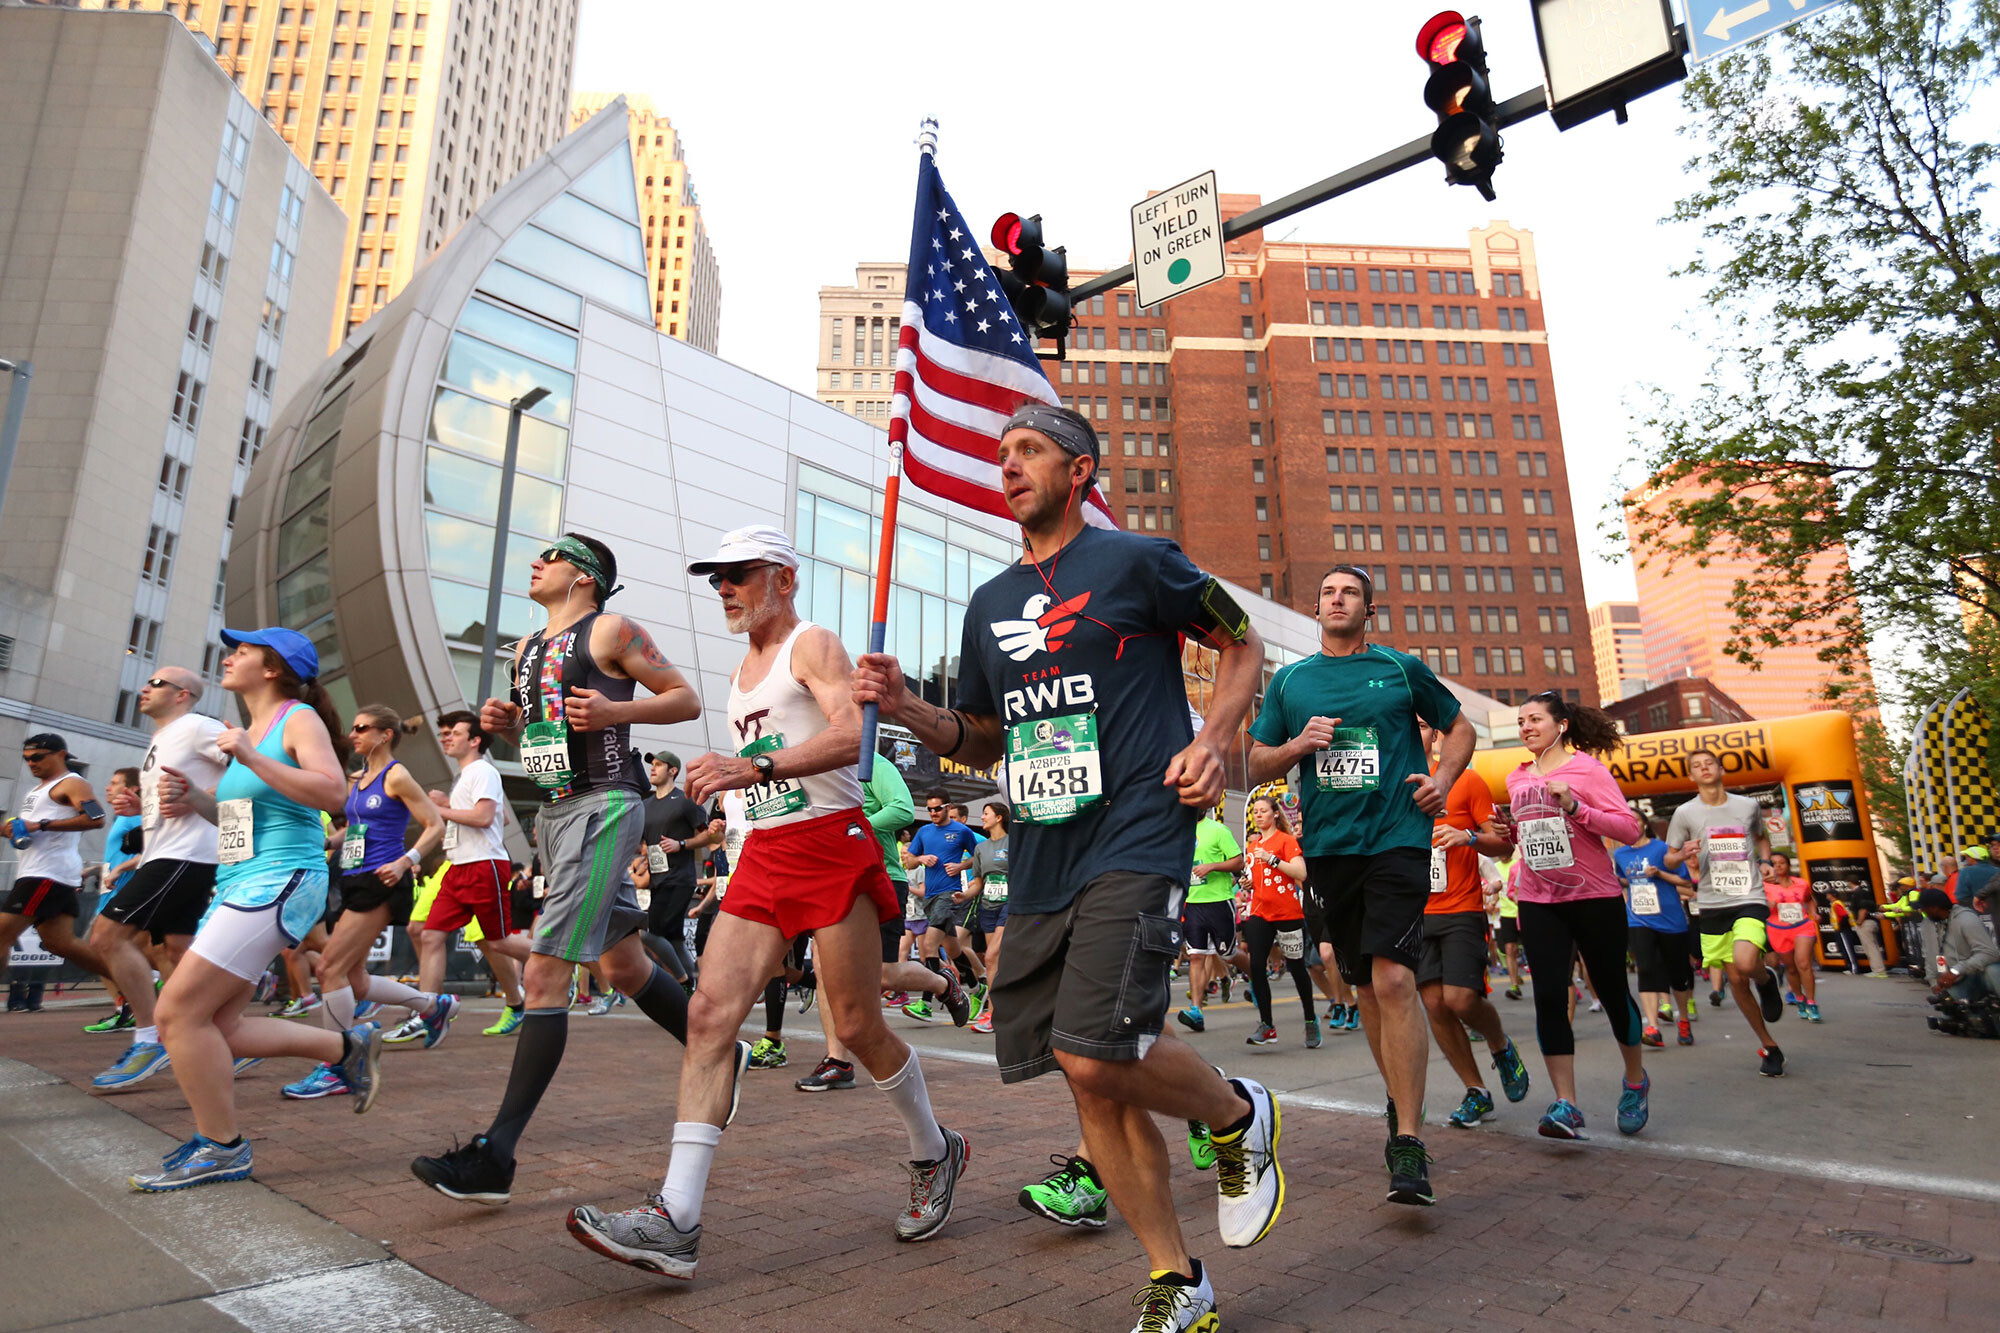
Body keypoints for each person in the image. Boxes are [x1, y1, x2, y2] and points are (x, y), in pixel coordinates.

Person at [855, 405, 1279, 1333]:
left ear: (1080, 470)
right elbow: (980, 735)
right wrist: (907, 705)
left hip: (1138, 830)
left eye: (1030, 451)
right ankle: (1179, 1277)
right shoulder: (988, 602)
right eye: (1002, 454)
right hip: (1044, 850)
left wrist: (1215, 738)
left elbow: (1243, 641)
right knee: (1088, 1075)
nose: (1009, 466)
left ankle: (1236, 1112)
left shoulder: (1139, 561)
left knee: (1096, 1047)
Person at [567, 524, 963, 1280]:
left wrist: (754, 768)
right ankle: (676, 1217)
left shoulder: (812, 644)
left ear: (783, 577)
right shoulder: (741, 668)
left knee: (857, 1025)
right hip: (766, 855)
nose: (724, 587)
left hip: (830, 842)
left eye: (739, 573)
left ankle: (935, 1149)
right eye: (716, 577)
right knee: (708, 1016)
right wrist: (735, 794)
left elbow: (855, 736)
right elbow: (762, 771)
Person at [411, 534, 703, 1205]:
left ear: (585, 576)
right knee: (622, 965)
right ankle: (717, 1046)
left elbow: (685, 699)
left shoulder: (612, 629)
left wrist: (616, 710)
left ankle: (496, 1156)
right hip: (553, 814)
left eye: (553, 554)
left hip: (606, 807)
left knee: (544, 972)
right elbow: (547, 731)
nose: (536, 562)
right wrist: (510, 722)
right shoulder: (523, 649)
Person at [1247, 564, 1474, 1208]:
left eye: (1349, 592)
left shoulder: (1401, 669)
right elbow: (1257, 761)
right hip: (1329, 850)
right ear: (1316, 608)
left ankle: (1408, 1138)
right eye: (1328, 592)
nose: (1337, 599)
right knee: (1366, 987)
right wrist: (1297, 745)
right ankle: (1398, 1096)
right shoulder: (1291, 681)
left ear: (1368, 609)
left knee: (1395, 979)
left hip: (1398, 839)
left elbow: (1461, 728)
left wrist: (1442, 781)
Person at [132, 628, 385, 1191]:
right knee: (218, 1026)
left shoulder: (297, 718)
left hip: (280, 878)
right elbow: (240, 824)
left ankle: (221, 1146)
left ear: (273, 668)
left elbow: (333, 794)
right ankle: (347, 1046)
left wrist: (246, 755)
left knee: (176, 1014)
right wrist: (196, 800)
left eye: (241, 651)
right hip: (239, 880)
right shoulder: (246, 733)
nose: (229, 658)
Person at [282, 704, 453, 1099]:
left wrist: (405, 861)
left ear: (385, 735)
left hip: (382, 881)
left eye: (362, 728)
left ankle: (339, 1063)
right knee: (354, 980)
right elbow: (358, 828)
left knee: (329, 968)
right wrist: (329, 842)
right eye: (353, 727)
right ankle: (433, 1006)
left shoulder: (397, 775)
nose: (353, 735)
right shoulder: (358, 779)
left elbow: (435, 825)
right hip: (353, 878)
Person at [1502, 691, 1651, 1141]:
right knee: (1549, 997)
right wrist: (1507, 831)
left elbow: (1629, 829)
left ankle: (1635, 1081)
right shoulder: (1516, 777)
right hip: (1538, 900)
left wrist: (1575, 807)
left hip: (1594, 897)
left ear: (1561, 725)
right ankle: (1566, 1103)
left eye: (1535, 719)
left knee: (1611, 991)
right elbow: (1528, 838)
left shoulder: (1588, 770)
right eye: (1521, 722)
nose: (1526, 728)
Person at [85, 672, 231, 1087]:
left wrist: (199, 797)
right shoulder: (162, 737)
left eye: (156, 681)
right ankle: (226, 1034)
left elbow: (251, 770)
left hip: (185, 856)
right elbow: (171, 796)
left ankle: (150, 1038)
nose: (145, 688)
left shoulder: (198, 726)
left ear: (182, 694)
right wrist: (142, 804)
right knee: (174, 950)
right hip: (166, 853)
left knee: (106, 938)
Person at [795, 757, 970, 1090]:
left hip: (880, 877)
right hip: (831, 879)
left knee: (883, 974)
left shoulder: (868, 762)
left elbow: (902, 809)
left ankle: (943, 983)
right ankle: (838, 1061)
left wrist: (850, 829)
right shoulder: (809, 769)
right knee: (823, 964)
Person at [387, 710, 531, 1046]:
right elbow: (501, 818)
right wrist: (450, 803)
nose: (446, 738)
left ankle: (557, 962)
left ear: (475, 740)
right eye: (444, 733)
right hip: (457, 866)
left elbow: (485, 818)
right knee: (429, 934)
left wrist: (438, 809)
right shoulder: (466, 775)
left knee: (497, 941)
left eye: (454, 733)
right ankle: (429, 1013)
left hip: (484, 865)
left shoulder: (483, 770)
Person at [1414, 722, 1532, 1128]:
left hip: (1461, 908)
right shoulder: (1389, 788)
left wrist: (1467, 836)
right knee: (1434, 1005)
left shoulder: (1465, 781)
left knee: (1461, 1000)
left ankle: (1500, 1045)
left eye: (1422, 726)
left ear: (1436, 735)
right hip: (1414, 914)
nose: (1414, 732)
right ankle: (1476, 1090)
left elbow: (1503, 843)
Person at [1666, 750, 1787, 1077]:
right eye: (1696, 766)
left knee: (1746, 964)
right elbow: (1669, 859)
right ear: (1691, 776)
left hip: (1748, 895)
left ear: (1720, 769)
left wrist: (1765, 861)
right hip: (1712, 902)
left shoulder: (1747, 806)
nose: (1704, 769)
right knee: (1735, 980)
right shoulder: (1684, 813)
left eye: (1709, 763)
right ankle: (1769, 1046)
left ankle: (1765, 979)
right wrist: (1683, 854)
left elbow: (1761, 838)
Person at [2, 733, 113, 995]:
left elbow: (96, 819)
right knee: (60, 944)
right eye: (27, 759)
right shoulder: (37, 790)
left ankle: (135, 981)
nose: (31, 763)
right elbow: (33, 828)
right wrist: (8, 829)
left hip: (47, 874)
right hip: (42, 872)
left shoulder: (72, 783)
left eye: (38, 757)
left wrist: (41, 825)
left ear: (60, 755)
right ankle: (136, 982)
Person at [1238, 795, 1319, 1047]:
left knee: (1297, 968)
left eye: (1263, 811)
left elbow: (1301, 872)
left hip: (1287, 913)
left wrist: (1272, 859)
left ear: (1275, 814)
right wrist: (1247, 883)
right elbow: (1255, 879)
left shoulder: (1286, 840)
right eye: (1255, 811)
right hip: (1259, 912)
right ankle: (1267, 1025)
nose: (1258, 815)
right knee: (1256, 966)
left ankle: (1310, 1020)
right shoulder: (1253, 847)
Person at [1611, 820, 1697, 1047]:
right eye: (1626, 819)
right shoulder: (1620, 854)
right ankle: (1653, 1028)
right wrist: (1617, 881)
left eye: (1636, 819)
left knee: (1677, 975)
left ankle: (1684, 1021)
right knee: (1646, 969)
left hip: (1669, 919)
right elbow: (1625, 879)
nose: (1631, 823)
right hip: (1638, 918)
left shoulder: (1662, 849)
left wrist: (1659, 874)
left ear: (1644, 824)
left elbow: (1685, 881)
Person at [901, 793, 983, 1015]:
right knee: (953, 949)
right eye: (930, 809)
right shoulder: (924, 832)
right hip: (930, 896)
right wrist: (921, 859)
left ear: (948, 807)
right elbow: (909, 862)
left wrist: (960, 866)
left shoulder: (961, 831)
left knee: (929, 946)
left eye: (937, 808)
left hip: (949, 894)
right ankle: (977, 989)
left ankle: (926, 1004)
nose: (933, 813)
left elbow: (978, 856)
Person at [639, 752, 715, 989]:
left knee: (651, 934)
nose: (653, 769)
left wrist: (680, 844)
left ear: (673, 771)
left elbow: (709, 835)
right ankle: (693, 988)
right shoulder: (645, 805)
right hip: (656, 879)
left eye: (658, 765)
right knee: (674, 939)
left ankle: (682, 982)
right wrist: (642, 858)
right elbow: (645, 843)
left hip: (680, 878)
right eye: (652, 765)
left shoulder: (685, 801)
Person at [1177, 808, 1244, 1034]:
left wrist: (1211, 866)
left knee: (1228, 955)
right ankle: (1196, 1010)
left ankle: (1256, 979)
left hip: (1219, 902)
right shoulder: (1179, 832)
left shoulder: (1218, 830)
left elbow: (1239, 862)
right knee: (1196, 956)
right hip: (1192, 903)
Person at [962, 802, 1011, 1036]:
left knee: (991, 957)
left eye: (986, 813)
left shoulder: (1013, 843)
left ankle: (993, 1014)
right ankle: (1003, 1010)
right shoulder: (981, 849)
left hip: (1010, 904)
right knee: (995, 962)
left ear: (999, 817)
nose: (982, 817)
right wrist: (963, 895)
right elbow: (978, 883)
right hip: (988, 906)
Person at [1763, 853, 1822, 1022]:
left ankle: (1812, 1003)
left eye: (1782, 863)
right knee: (1791, 968)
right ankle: (1799, 998)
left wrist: (1813, 912)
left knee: (1804, 964)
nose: (1778, 866)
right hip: (1778, 929)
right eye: (1774, 863)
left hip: (1802, 925)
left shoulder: (1801, 883)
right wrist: (1768, 906)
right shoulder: (1763, 886)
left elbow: (1809, 899)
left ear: (1788, 865)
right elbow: (1757, 907)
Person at [1921, 886, 2000, 999]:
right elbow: (1935, 955)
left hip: (1977, 974)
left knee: (1993, 970)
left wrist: (1956, 971)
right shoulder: (1928, 924)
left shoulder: (1966, 920)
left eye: (1923, 908)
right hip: (1957, 979)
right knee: (1950, 1002)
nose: (1921, 911)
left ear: (1934, 908)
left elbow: (1989, 953)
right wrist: (1934, 981)